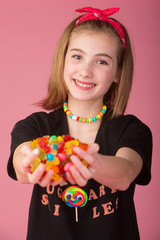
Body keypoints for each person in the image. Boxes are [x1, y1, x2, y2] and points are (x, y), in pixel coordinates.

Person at [7, 7, 152, 240]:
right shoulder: (34, 126)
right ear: (63, 60)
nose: (85, 71)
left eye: (102, 61)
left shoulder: (133, 130)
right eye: (77, 56)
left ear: (118, 72)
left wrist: (85, 159)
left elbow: (125, 173)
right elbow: (20, 166)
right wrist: (33, 163)